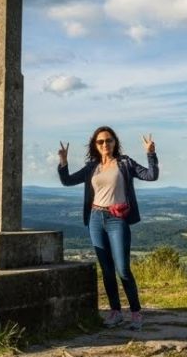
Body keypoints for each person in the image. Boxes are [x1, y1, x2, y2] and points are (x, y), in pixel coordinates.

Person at [58, 126, 158, 331]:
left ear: (115, 143)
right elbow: (67, 181)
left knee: (123, 269)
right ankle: (115, 312)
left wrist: (150, 153)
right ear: (95, 145)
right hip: (95, 218)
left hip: (116, 219)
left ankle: (136, 313)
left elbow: (151, 175)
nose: (105, 144)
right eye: (101, 141)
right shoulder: (91, 167)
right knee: (107, 270)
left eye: (109, 140)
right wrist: (63, 161)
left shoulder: (125, 163)